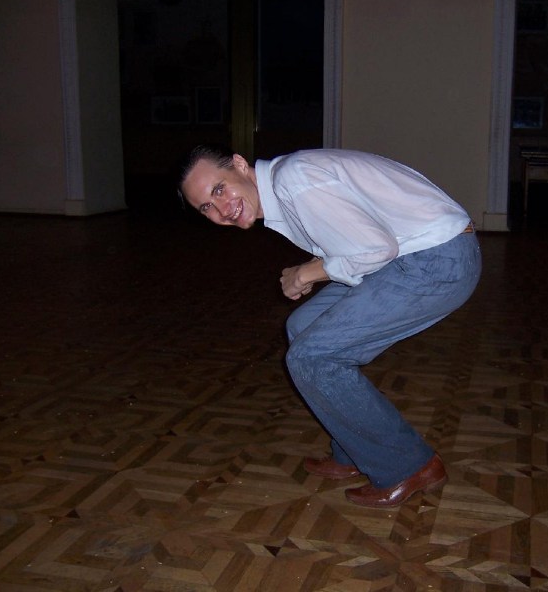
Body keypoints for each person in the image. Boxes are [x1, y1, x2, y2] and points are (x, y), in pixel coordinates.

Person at [178, 145, 481, 508]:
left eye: (219, 189)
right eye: (206, 207)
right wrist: (312, 267)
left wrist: (306, 273)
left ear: (240, 165)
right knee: (303, 326)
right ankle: (355, 451)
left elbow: (374, 248)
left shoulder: (294, 179)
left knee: (313, 357)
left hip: (438, 259)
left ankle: (410, 467)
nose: (222, 209)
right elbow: (350, 234)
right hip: (410, 253)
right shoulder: (284, 183)